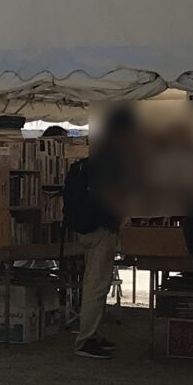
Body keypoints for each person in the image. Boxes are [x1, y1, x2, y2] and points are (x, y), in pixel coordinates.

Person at [63, 112, 132, 359]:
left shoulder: (79, 167)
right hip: (103, 230)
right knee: (97, 285)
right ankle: (85, 339)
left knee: (93, 282)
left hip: (81, 230)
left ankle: (92, 333)